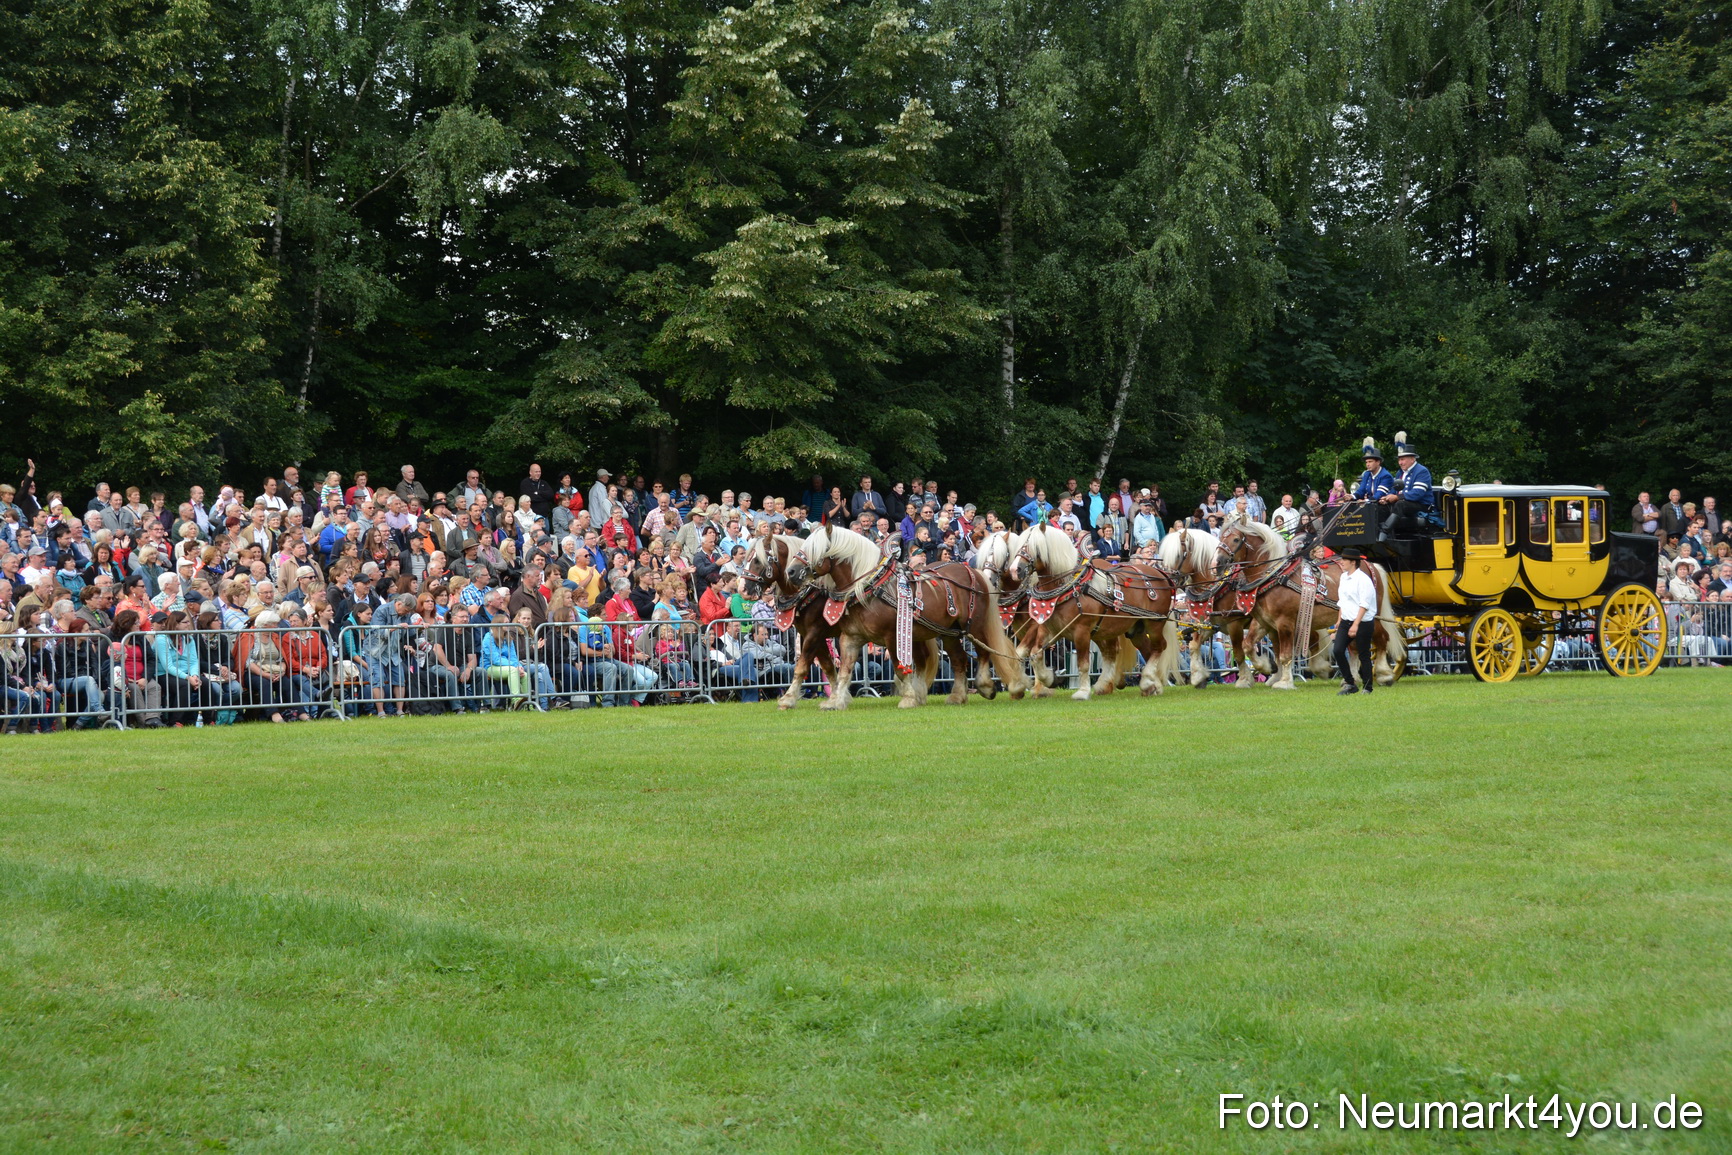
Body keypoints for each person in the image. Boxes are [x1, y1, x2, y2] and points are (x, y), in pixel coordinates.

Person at [1332, 548, 1378, 695]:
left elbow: (1364, 604)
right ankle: (1350, 683)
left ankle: (1368, 687)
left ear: (1353, 562)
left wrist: (1356, 624)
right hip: (1346, 620)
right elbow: (1343, 601)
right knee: (1338, 650)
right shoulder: (1344, 577)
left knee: (1363, 654)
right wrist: (1339, 619)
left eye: (1344, 560)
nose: (1341, 562)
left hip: (1362, 621)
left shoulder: (1363, 580)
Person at [1378, 431, 1433, 536]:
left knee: (1400, 504)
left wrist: (1397, 497)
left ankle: (1384, 532)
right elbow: (1394, 489)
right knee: (1380, 506)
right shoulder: (1400, 472)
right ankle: (1376, 530)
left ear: (1412, 459)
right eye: (1399, 459)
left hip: (1422, 505)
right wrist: (1386, 497)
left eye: (1402, 459)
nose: (1400, 462)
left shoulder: (1422, 471)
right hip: (1405, 504)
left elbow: (1417, 493)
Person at [1351, 437, 1394, 503]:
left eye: (1370, 461)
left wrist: (1366, 501)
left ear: (1378, 462)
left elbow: (1379, 494)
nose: (1367, 464)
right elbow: (1361, 490)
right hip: (1371, 505)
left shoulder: (1386, 476)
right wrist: (1352, 496)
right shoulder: (1367, 474)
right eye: (1366, 462)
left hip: (1383, 507)